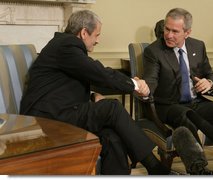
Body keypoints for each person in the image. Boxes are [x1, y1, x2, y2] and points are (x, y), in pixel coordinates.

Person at [19, 10, 171, 175]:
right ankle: (155, 167)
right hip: (47, 120)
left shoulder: (63, 46)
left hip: (58, 112)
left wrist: (92, 95)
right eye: (97, 35)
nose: (98, 40)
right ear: (84, 32)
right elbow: (97, 72)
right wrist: (134, 84)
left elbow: (65, 84)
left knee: (111, 136)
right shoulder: (67, 45)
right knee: (111, 107)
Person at [143, 8, 213, 175]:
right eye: (167, 29)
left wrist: (209, 83)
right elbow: (150, 81)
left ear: (187, 32)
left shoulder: (198, 46)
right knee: (188, 118)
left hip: (196, 102)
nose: (169, 35)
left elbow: (210, 75)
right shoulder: (154, 51)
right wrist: (143, 87)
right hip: (169, 105)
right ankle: (199, 169)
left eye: (175, 31)